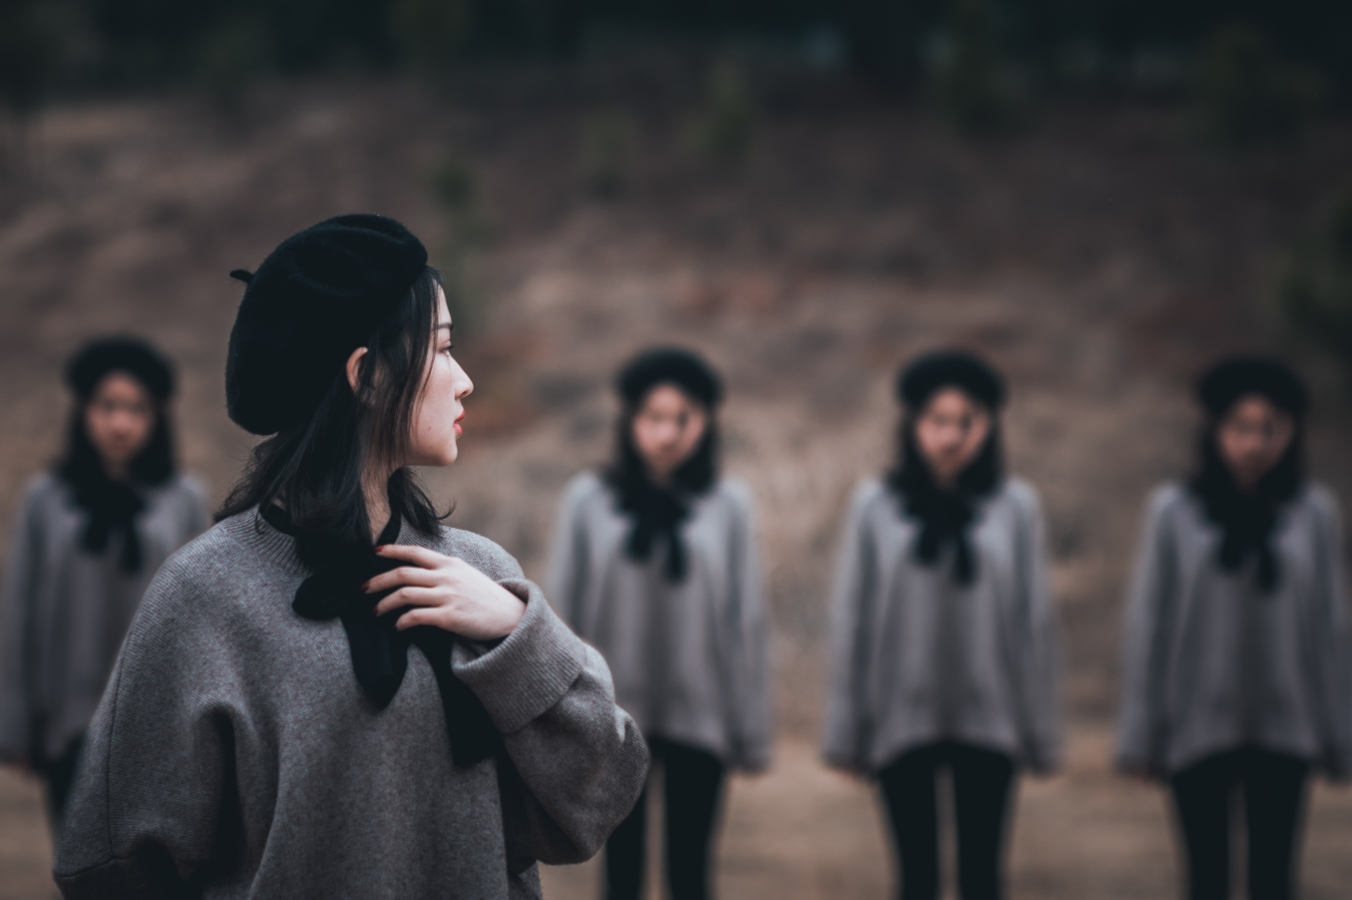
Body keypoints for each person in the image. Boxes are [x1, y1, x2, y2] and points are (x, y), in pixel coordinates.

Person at [51, 214, 648, 898]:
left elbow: (601, 791)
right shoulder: (205, 595)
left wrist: (516, 633)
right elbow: (110, 866)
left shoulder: (480, 576)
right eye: (444, 349)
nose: (465, 381)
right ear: (366, 375)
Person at [822, 349, 1061, 900]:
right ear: (912, 426)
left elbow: (1035, 626)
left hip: (992, 720)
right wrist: (846, 731)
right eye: (937, 422)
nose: (951, 437)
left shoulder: (1016, 507)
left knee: (983, 878)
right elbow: (852, 619)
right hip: (900, 719)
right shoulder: (875, 506)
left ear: (989, 427)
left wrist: (1040, 732)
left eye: (966, 422)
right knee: (915, 880)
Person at [1116, 355, 1352, 900]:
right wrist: (1142, 732)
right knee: (1206, 880)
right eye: (1240, 428)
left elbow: (1329, 630)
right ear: (1215, 430)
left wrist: (1337, 732)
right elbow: (1150, 622)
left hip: (1287, 728)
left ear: (1290, 434)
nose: (1253, 444)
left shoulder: (1313, 514)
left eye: (1269, 429)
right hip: (1196, 728)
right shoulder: (1174, 513)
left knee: (1275, 879)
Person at [547, 346, 771, 900]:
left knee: (691, 872)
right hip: (612, 719)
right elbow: (559, 615)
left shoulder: (728, 505)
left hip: (703, 714)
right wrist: (560, 717)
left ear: (706, 423)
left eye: (683, 419)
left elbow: (746, 620)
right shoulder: (588, 501)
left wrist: (750, 724)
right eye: (654, 418)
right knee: (620, 875)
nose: (667, 434)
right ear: (630, 422)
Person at [0, 336, 206, 838]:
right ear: (84, 411)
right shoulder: (46, 500)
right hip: (68, 728)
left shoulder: (183, 500)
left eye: (136, 408)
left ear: (156, 417)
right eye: (107, 406)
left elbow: (205, 618)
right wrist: (16, 726)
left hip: (159, 732)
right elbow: (18, 610)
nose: (120, 422)